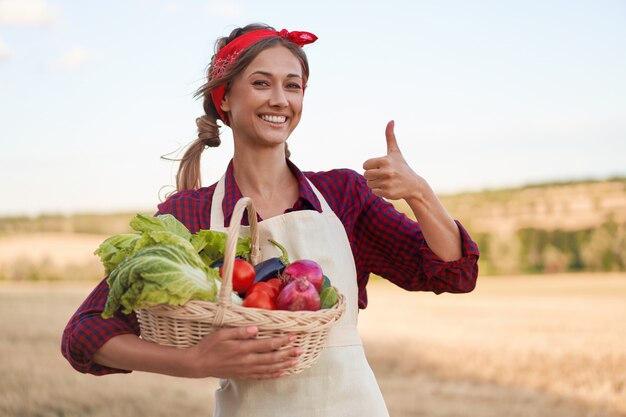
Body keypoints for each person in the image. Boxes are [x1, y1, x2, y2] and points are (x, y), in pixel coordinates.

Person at [62, 23, 480, 416]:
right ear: (224, 98)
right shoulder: (188, 216)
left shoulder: (342, 194)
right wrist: (193, 362)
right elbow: (83, 334)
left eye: (293, 86)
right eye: (261, 83)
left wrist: (418, 193)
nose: (280, 99)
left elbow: (450, 272)